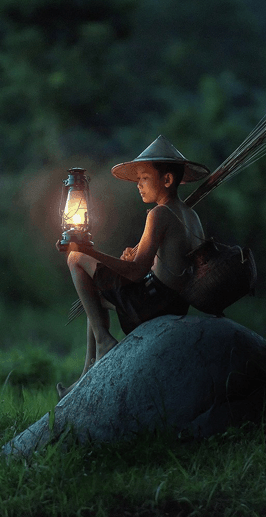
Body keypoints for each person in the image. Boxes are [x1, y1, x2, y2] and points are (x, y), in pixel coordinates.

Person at [57, 135, 209, 398]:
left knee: (74, 258)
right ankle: (85, 375)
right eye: (138, 179)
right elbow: (163, 263)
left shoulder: (159, 214)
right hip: (173, 301)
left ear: (168, 180)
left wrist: (89, 251)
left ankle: (105, 342)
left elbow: (136, 272)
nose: (138, 185)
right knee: (93, 298)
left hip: (152, 303)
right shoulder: (190, 215)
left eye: (144, 178)